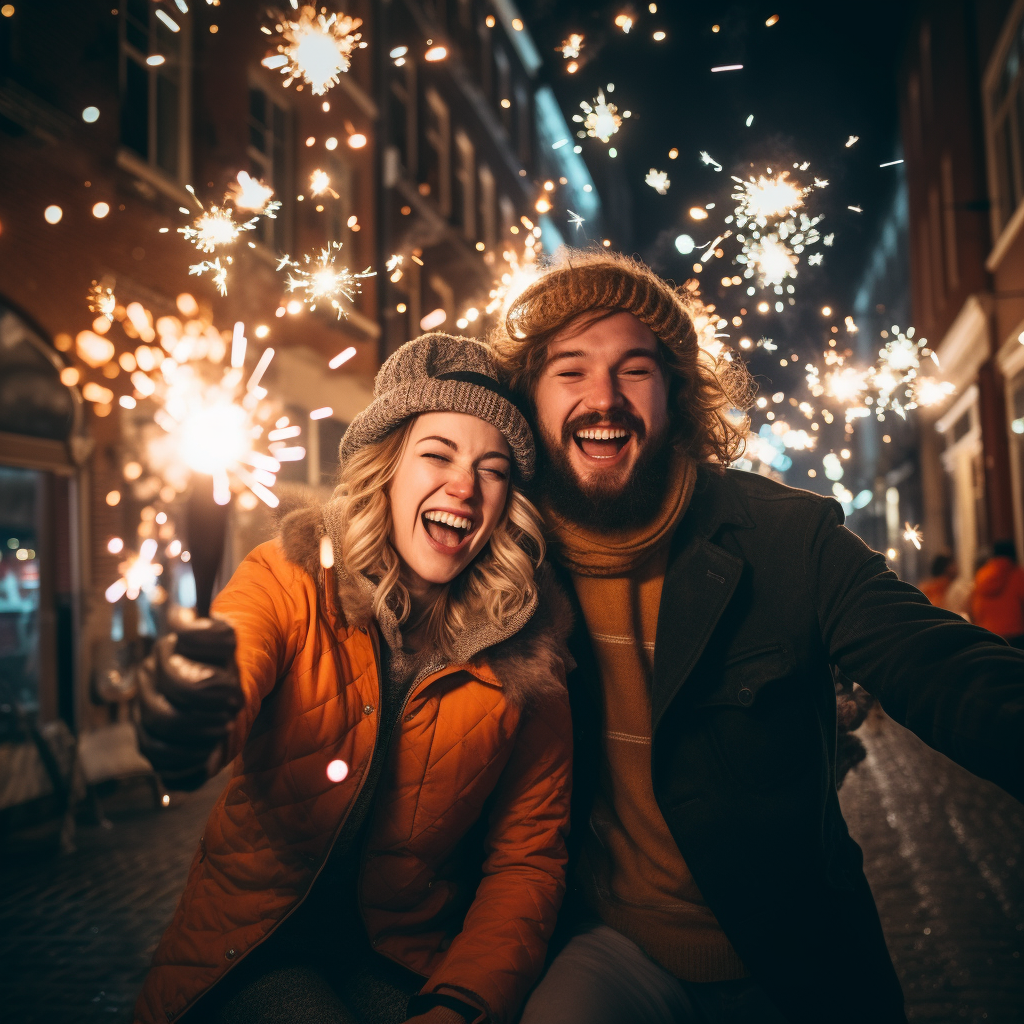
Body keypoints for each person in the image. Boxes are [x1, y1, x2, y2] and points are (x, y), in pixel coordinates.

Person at [491, 250, 1024, 1024]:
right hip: (611, 943)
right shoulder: (512, 557)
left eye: (634, 370)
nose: (602, 398)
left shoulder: (785, 535)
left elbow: (942, 666)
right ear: (530, 397)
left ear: (676, 392)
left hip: (790, 956)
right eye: (569, 370)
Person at [133, 335, 574, 1024]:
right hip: (251, 950)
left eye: (492, 469)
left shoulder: (531, 662)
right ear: (387, 469)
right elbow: (231, 677)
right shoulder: (289, 579)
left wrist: (463, 1003)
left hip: (403, 960)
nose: (464, 486)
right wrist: (190, 711)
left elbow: (527, 862)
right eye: (437, 454)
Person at [971, 539, 1024, 645]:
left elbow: (975, 607)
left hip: (988, 635)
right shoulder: (1018, 575)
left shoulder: (981, 576)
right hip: (1015, 635)